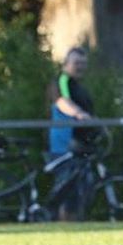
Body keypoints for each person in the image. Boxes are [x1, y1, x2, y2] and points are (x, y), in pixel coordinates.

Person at [47, 46, 96, 221]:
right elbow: (62, 102)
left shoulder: (77, 85)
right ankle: (62, 228)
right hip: (64, 146)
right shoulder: (62, 81)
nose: (80, 67)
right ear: (66, 64)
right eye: (76, 63)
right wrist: (79, 114)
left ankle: (72, 225)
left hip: (79, 146)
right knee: (67, 195)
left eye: (83, 63)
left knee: (78, 194)